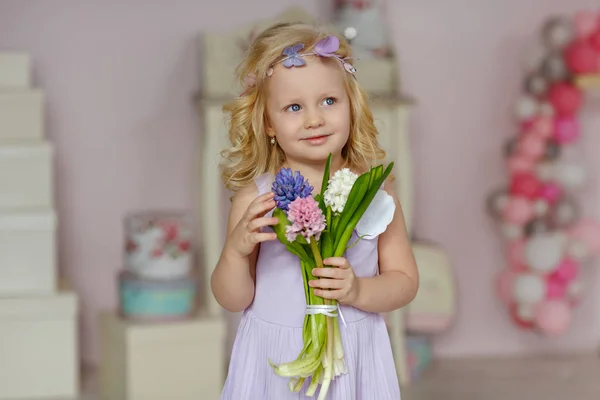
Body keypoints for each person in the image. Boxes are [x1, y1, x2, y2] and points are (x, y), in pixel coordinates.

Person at [211, 21, 419, 399]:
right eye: (293, 107)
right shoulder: (256, 199)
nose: (314, 119)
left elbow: (404, 281)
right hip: (277, 359)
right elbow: (232, 298)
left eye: (329, 101)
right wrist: (235, 252)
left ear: (351, 105)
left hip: (351, 356)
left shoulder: (375, 192)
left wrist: (357, 291)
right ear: (268, 123)